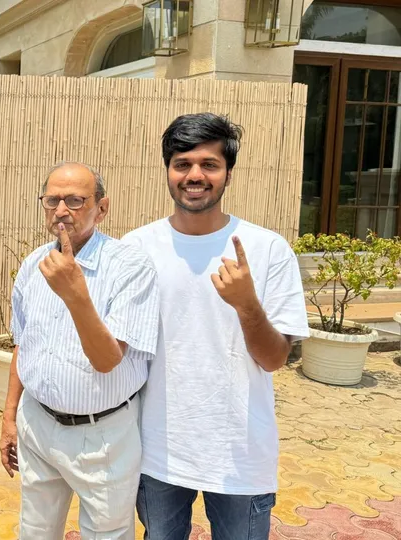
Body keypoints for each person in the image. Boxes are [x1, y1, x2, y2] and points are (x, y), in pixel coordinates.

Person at [122, 113, 310, 540]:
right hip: (158, 450)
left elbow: (275, 359)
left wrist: (247, 306)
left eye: (209, 164)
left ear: (228, 174)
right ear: (167, 170)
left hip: (240, 452)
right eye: (182, 163)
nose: (194, 175)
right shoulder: (136, 248)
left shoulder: (267, 249)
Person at [0, 162, 160, 540]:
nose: (61, 210)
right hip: (37, 424)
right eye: (52, 200)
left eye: (75, 200)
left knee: (107, 533)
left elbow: (107, 360)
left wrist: (76, 294)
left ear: (101, 208)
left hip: (101, 435)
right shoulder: (33, 264)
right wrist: (9, 419)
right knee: (34, 531)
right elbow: (24, 343)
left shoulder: (130, 267)